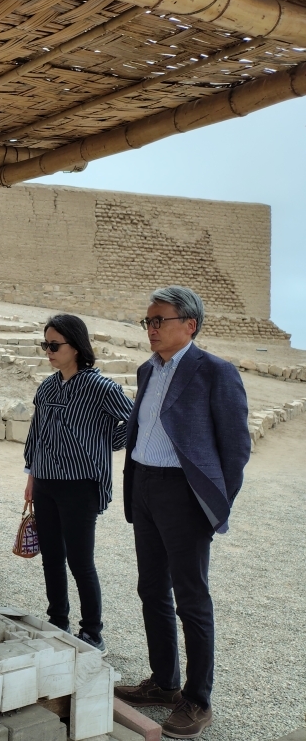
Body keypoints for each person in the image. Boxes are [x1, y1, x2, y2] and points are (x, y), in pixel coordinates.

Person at [115, 287, 250, 740]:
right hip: (145, 486)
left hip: (183, 495)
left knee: (191, 597)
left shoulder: (216, 372)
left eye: (160, 320)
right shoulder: (147, 369)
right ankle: (164, 682)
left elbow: (236, 448)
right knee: (151, 588)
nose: (151, 329)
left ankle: (197, 700)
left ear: (189, 325)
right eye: (148, 321)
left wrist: (213, 503)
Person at [23, 314, 133, 655]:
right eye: (45, 344)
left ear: (76, 346)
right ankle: (58, 622)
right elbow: (36, 434)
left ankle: (92, 632)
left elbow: (135, 420)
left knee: (81, 562)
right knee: (52, 558)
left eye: (54, 345)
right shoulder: (47, 387)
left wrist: (107, 442)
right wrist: (31, 478)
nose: (48, 351)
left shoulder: (103, 388)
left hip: (80, 486)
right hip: (45, 482)